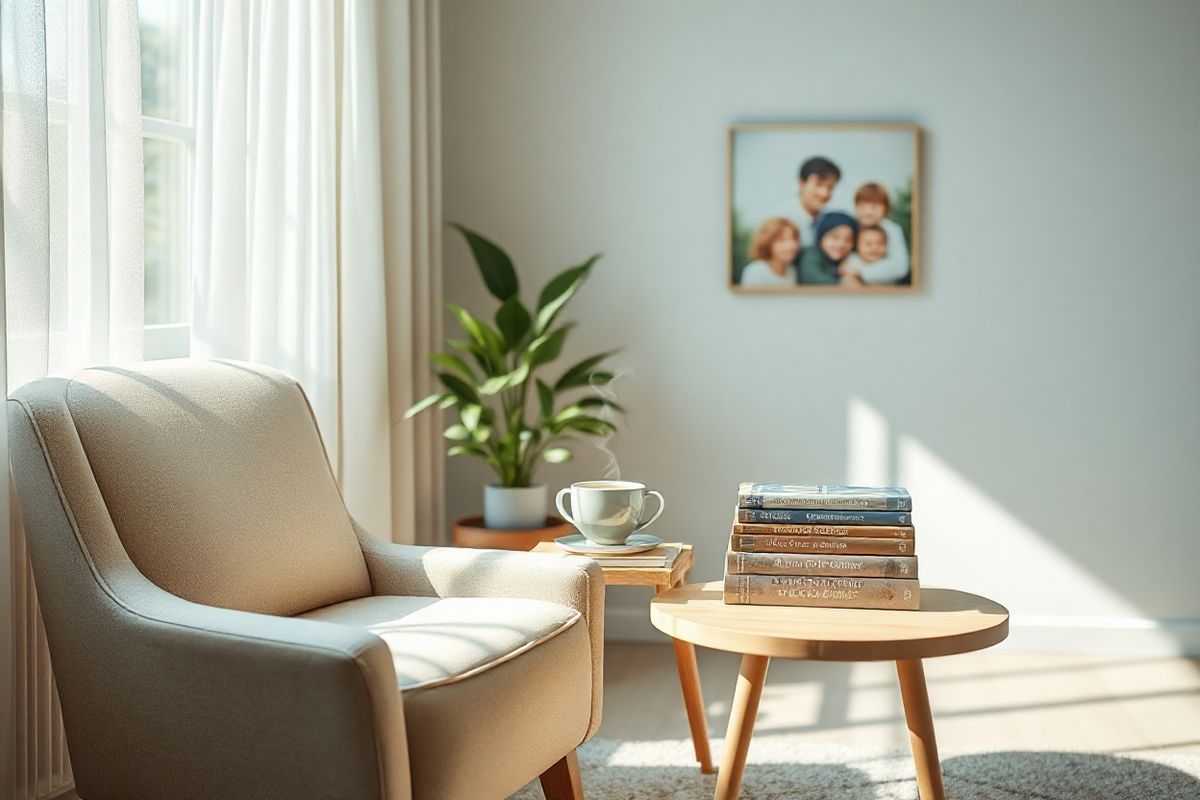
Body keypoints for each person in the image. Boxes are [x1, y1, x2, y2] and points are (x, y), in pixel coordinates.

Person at [847, 182, 910, 283]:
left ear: (886, 209)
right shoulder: (851, 226)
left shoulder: (892, 229)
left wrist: (861, 272)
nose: (868, 212)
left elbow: (900, 267)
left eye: (874, 207)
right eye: (862, 206)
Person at [788, 156, 841, 246]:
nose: (824, 193)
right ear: (801, 183)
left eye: (830, 187)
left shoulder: (828, 221)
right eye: (818, 184)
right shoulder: (782, 221)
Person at [799, 211, 857, 285]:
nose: (841, 244)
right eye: (835, 237)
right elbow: (811, 277)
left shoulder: (850, 259)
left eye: (848, 239)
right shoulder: (810, 254)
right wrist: (841, 282)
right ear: (821, 238)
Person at [739, 217, 800, 287]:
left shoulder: (792, 272)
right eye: (782, 240)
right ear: (768, 243)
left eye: (794, 238)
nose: (791, 245)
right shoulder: (756, 272)